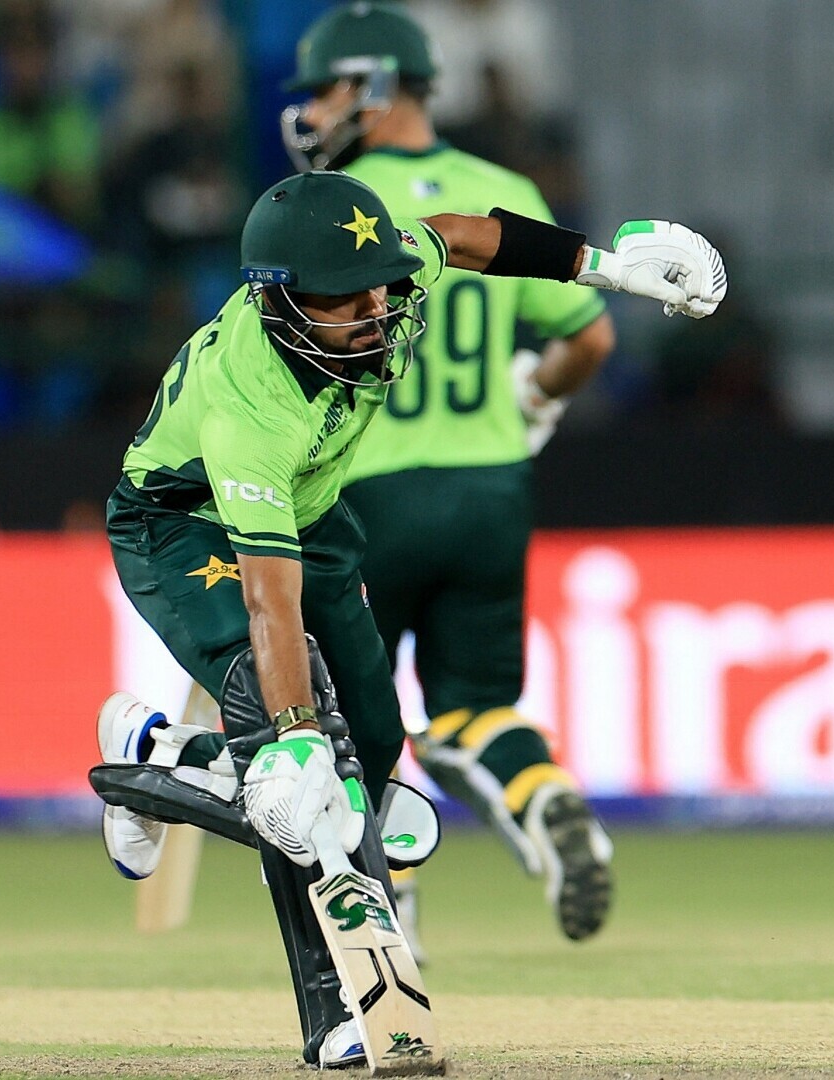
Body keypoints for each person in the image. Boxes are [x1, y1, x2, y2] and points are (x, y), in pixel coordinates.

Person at [93, 166, 724, 1070]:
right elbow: (272, 603)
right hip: (181, 522)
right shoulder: (250, 407)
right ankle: (337, 1018)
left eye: (382, 289)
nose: (379, 312)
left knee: (377, 765)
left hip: (314, 514)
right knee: (297, 766)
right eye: (348, 304)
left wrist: (603, 267)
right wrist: (298, 735)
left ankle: (155, 754)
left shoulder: (368, 281)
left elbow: (468, 235)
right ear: (280, 307)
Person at [277, 1, 640, 950]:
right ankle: (547, 795)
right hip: (490, 487)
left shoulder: (336, 208)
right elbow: (590, 337)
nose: (314, 109)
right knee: (478, 706)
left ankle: (386, 904)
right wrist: (535, 401)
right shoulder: (501, 185)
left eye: (326, 87)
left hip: (365, 494)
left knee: (354, 722)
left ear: (379, 85)